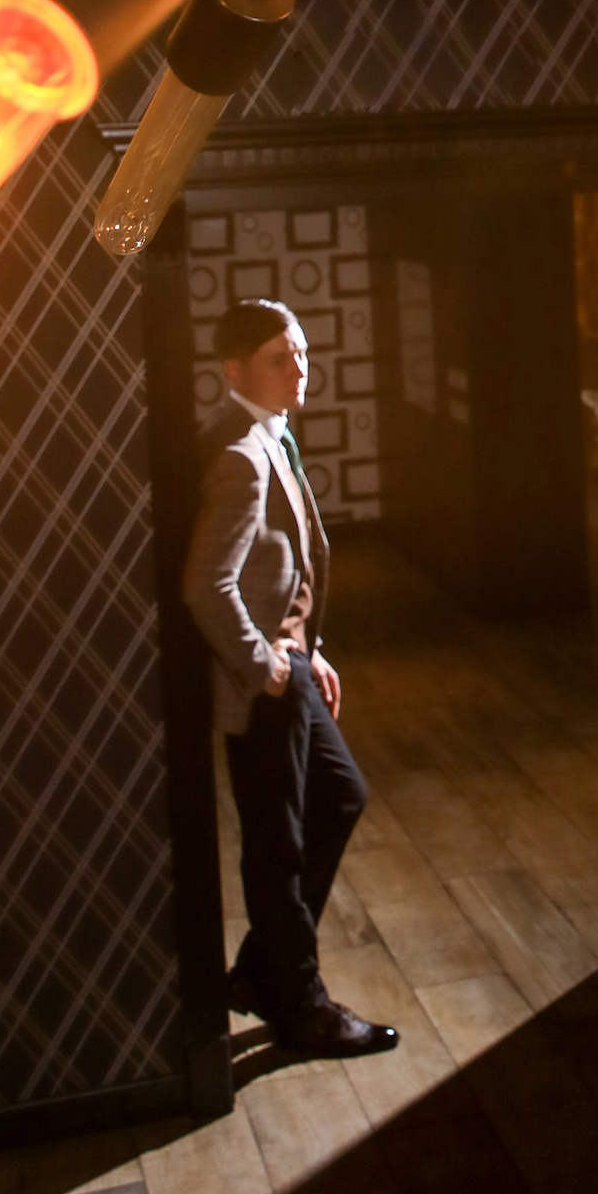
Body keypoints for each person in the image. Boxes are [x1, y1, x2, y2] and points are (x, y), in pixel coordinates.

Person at [182, 297, 398, 1062]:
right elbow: (207, 583)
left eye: (302, 353)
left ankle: (259, 971)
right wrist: (266, 664)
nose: (299, 368)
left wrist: (311, 644)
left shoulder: (271, 433)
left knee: (339, 797)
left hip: (294, 662)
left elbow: (285, 564)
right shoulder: (240, 455)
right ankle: (301, 1007)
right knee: (277, 844)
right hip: (266, 685)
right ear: (234, 370)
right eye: (280, 359)